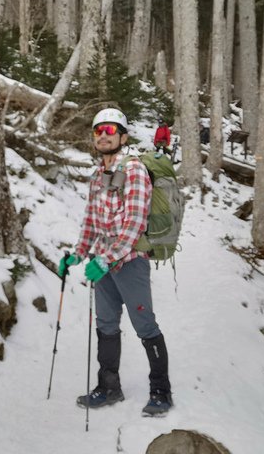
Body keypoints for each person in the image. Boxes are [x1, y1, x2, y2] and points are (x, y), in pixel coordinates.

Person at [58, 107, 172, 417]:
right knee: (106, 326)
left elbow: (134, 224)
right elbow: (92, 221)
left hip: (130, 264)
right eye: (98, 131)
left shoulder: (133, 170)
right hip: (103, 264)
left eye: (110, 131)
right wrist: (78, 253)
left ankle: (161, 391)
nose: (103, 136)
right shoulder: (98, 174)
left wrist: (106, 260)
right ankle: (109, 387)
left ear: (122, 136)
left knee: (145, 325)